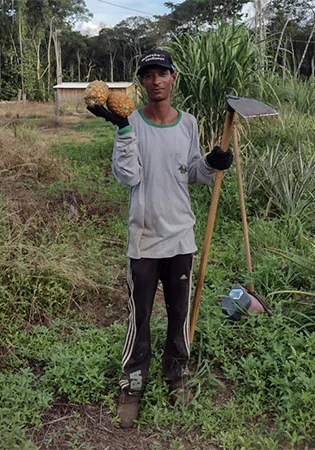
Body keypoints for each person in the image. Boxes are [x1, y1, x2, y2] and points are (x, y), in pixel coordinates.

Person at [87, 48, 234, 429]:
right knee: (140, 315)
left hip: (180, 237)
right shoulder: (130, 121)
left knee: (179, 314)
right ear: (141, 82)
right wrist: (120, 129)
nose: (155, 80)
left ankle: (177, 373)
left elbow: (192, 173)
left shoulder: (189, 123)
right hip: (143, 237)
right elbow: (128, 177)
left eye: (162, 73)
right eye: (148, 75)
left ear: (173, 78)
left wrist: (212, 163)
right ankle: (133, 382)